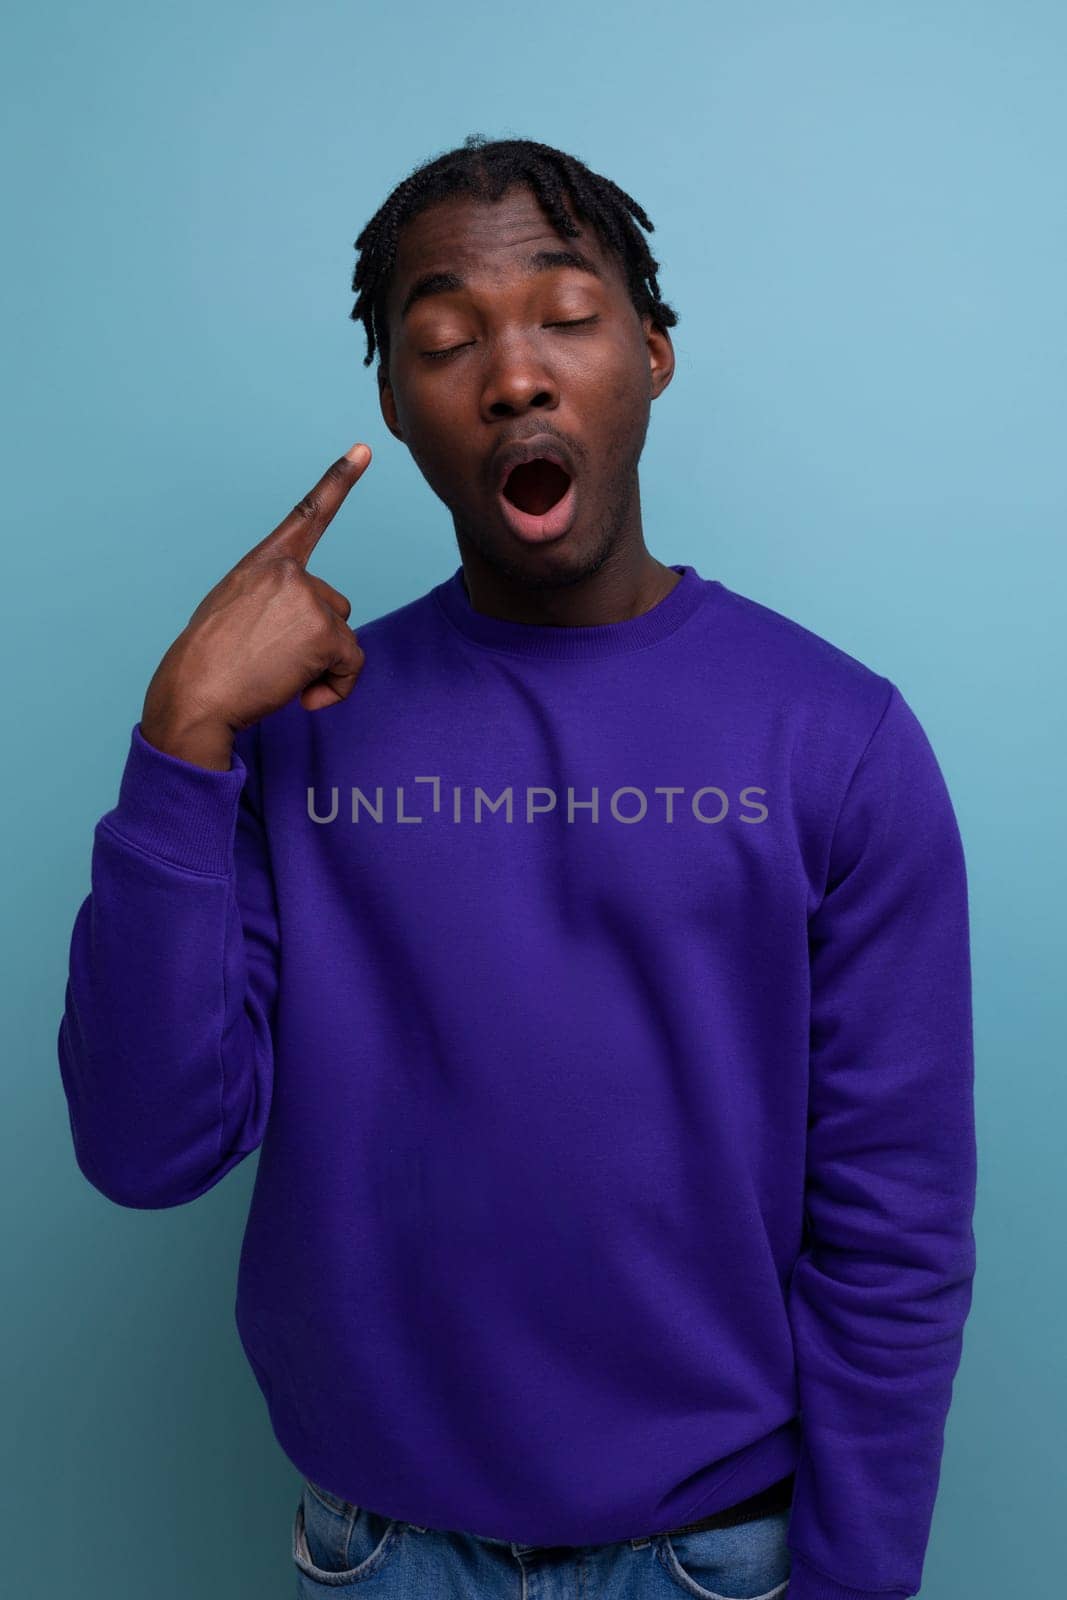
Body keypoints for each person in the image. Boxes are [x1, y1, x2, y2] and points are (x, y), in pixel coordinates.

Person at [56, 134, 977, 1600]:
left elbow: (895, 1224)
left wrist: (855, 1584)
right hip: (375, 1553)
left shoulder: (838, 737)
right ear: (398, 407)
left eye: (568, 313)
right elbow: (145, 1147)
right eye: (444, 339)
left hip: (715, 1559)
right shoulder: (302, 727)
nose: (515, 373)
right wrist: (181, 739)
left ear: (655, 357)